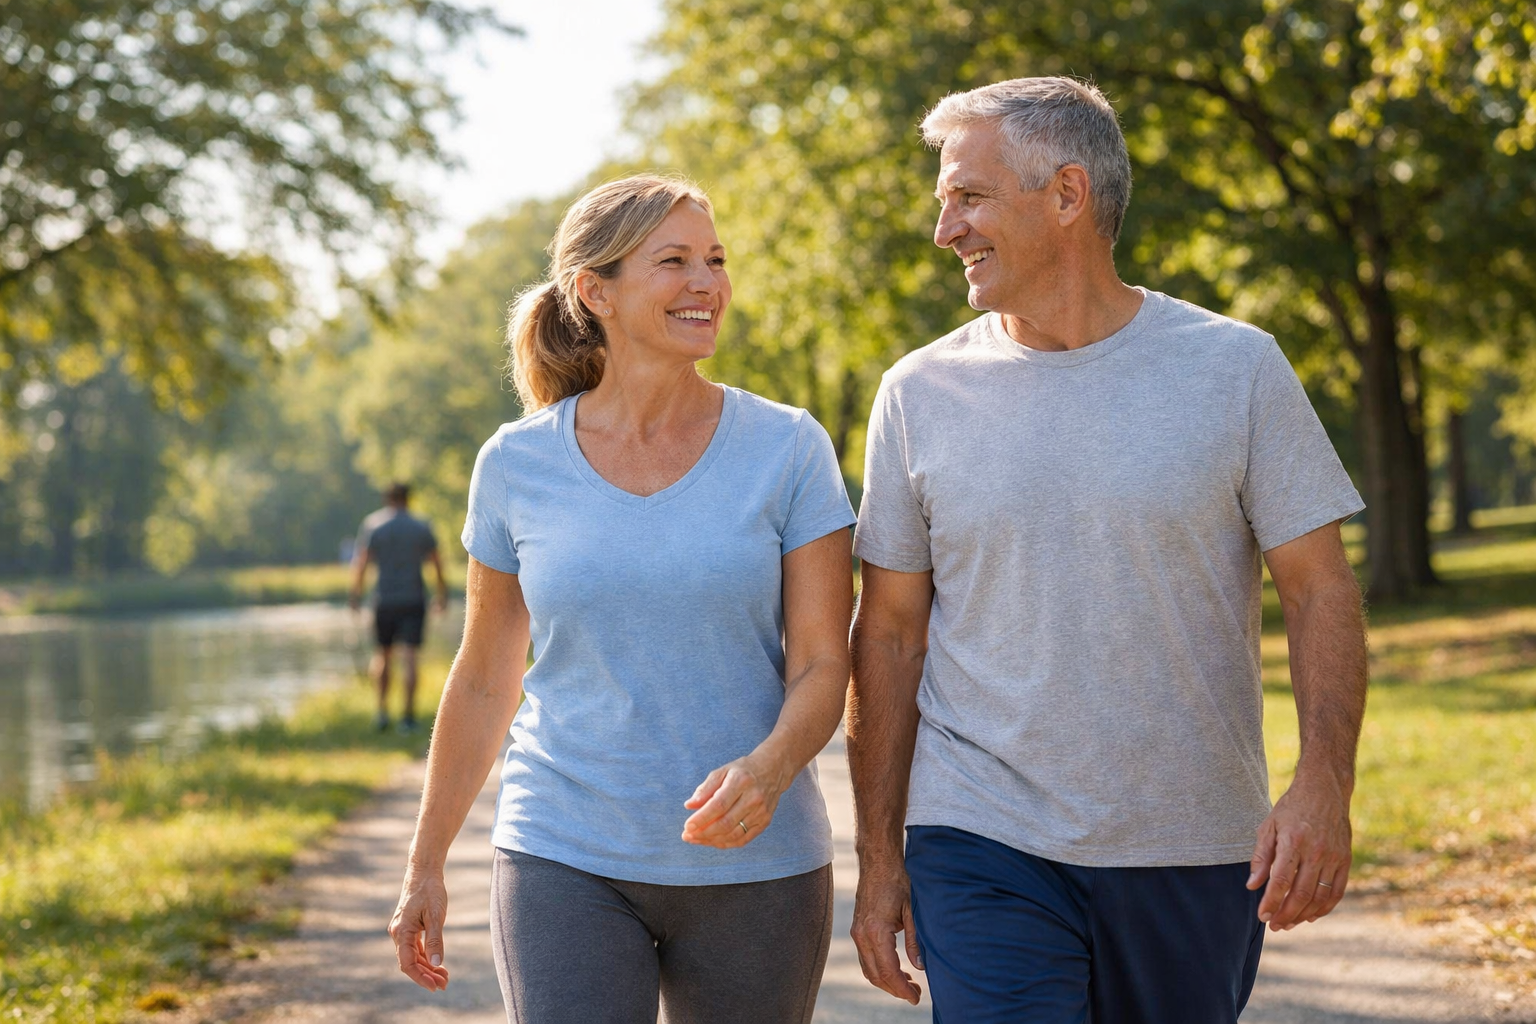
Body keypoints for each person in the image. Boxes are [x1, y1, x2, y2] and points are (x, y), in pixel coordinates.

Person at [846, 77, 1369, 1023]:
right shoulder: (916, 394)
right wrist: (880, 857)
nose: (945, 230)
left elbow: (1319, 588)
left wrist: (1324, 783)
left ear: (1067, 195)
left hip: (1192, 842)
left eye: (969, 197)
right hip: (981, 835)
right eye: (944, 203)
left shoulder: (1236, 369)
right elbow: (886, 634)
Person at [387, 175, 857, 1024]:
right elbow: (487, 674)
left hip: (759, 864)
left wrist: (773, 766)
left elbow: (826, 660)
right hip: (563, 850)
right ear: (593, 292)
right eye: (673, 260)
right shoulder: (515, 463)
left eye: (715, 260)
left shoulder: (788, 447)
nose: (706, 282)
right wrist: (426, 863)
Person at [349, 482, 448, 733]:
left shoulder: (373, 525)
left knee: (383, 655)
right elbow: (436, 563)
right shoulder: (421, 526)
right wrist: (441, 593)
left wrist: (355, 596)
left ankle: (382, 712)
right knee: (410, 657)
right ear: (408, 499)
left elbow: (361, 563)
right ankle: (408, 716)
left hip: (384, 600)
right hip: (413, 599)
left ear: (387, 498)